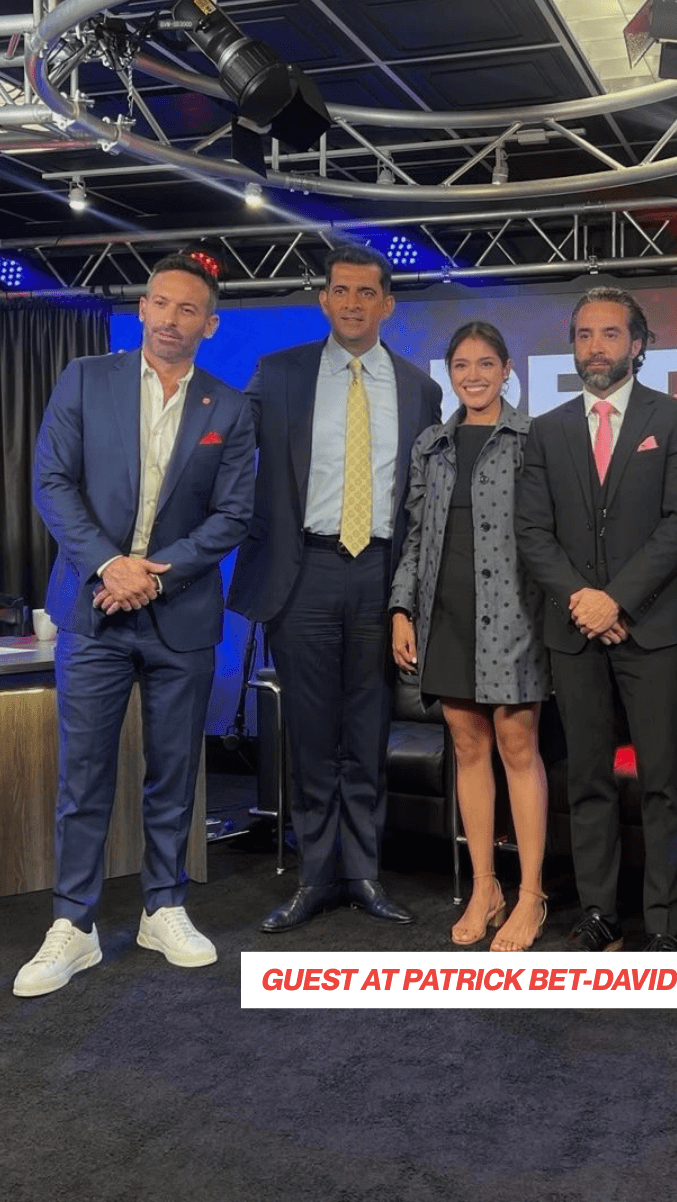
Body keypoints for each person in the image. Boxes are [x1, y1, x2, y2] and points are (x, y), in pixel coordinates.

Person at [15, 254, 255, 997]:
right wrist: (109, 567)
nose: (170, 319)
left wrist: (154, 574)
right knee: (83, 775)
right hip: (92, 610)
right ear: (142, 308)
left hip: (179, 615)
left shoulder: (230, 407)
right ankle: (74, 924)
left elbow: (234, 515)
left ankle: (165, 905)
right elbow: (50, 481)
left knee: (174, 774)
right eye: (160, 303)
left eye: (188, 310)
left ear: (208, 325)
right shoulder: (87, 380)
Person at [228, 245, 442, 933]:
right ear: (323, 299)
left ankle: (365, 872)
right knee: (313, 734)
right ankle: (318, 874)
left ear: (388, 303)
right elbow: (225, 450)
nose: (353, 303)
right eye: (341, 291)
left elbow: (422, 503)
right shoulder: (279, 373)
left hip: (380, 573)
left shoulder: (419, 389)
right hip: (306, 571)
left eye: (366, 292)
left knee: (369, 727)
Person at [516, 285, 677, 952]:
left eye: (609, 334)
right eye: (584, 335)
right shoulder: (547, 430)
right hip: (574, 631)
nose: (596, 347)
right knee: (587, 778)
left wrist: (616, 600)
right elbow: (534, 532)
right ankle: (598, 912)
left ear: (639, 345)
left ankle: (663, 923)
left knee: (662, 780)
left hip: (653, 630)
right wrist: (586, 603)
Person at [389, 322, 549, 950]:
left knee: (517, 743)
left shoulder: (534, 438)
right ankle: (486, 886)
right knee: (467, 743)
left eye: (486, 363)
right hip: (445, 610)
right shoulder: (431, 444)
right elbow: (416, 535)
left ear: (507, 369)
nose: (473, 375)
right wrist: (402, 609)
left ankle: (531, 893)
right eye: (461, 365)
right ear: (449, 373)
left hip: (515, 614)